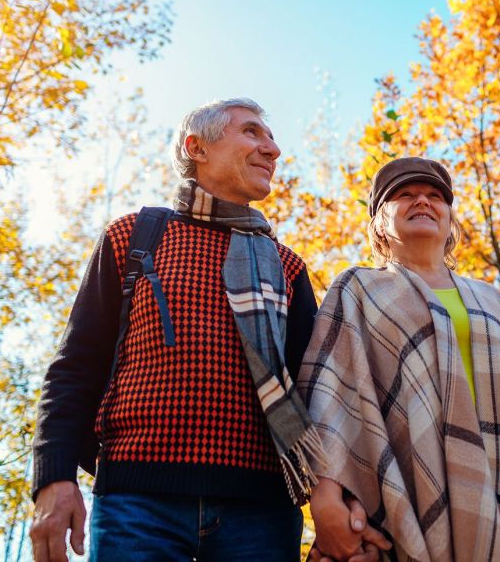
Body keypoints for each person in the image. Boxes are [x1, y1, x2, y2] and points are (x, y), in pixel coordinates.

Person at [30, 98, 330, 561]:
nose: (272, 149)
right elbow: (75, 367)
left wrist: (335, 503)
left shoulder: (287, 268)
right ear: (197, 147)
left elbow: (317, 396)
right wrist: (54, 476)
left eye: (270, 138)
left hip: (262, 512)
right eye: (252, 132)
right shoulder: (133, 237)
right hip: (136, 501)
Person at [300, 157, 500, 562]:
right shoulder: (359, 289)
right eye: (405, 195)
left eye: (435, 196)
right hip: (412, 491)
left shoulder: (491, 300)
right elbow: (328, 399)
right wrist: (324, 500)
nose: (422, 202)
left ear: (450, 220)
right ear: (378, 222)